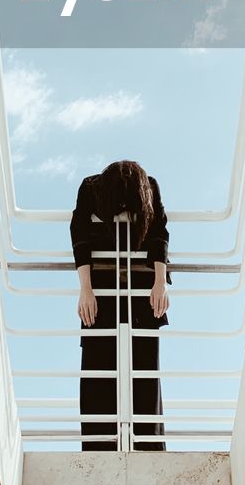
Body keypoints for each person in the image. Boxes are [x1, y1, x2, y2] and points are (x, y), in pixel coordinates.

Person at [70, 159, 170, 451]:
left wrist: (160, 283)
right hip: (101, 291)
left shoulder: (149, 185)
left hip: (142, 290)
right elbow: (80, 234)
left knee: (145, 371)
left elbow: (159, 232)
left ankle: (149, 446)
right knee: (97, 369)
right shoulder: (92, 188)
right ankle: (97, 446)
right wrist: (86, 290)